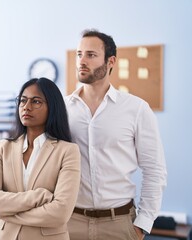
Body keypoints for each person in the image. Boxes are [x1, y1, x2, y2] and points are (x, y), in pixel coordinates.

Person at [65, 29, 167, 240]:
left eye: (91, 55)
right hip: (69, 223)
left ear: (110, 61)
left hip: (120, 224)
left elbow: (154, 169)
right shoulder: (62, 109)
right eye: (79, 54)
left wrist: (142, 225)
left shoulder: (137, 109)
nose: (82, 61)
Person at [0, 78, 81, 240]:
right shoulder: (2, 148)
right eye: (22, 101)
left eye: (36, 101)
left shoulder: (68, 151)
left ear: (52, 107)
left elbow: (60, 213)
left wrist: (6, 213)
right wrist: (40, 196)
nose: (26, 107)